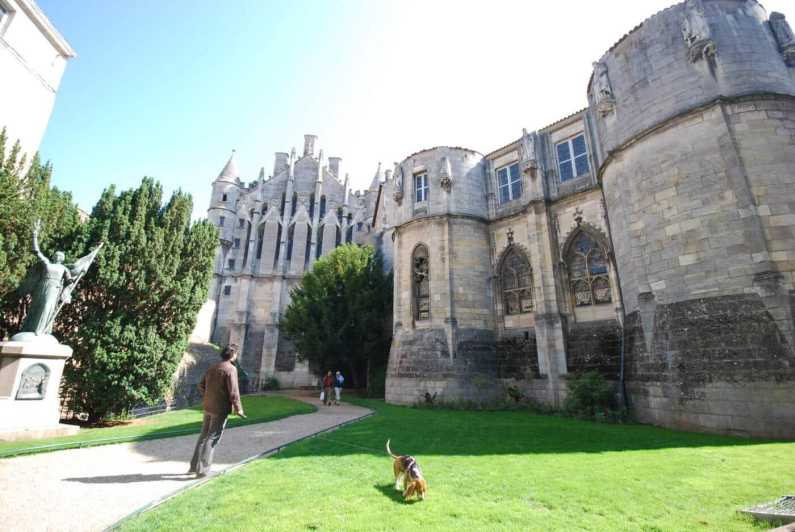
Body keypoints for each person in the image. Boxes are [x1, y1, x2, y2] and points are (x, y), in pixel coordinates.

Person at [189, 344, 245, 477]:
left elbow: (201, 385)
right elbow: (234, 392)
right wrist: (239, 409)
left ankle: (194, 467)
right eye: (236, 354)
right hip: (220, 408)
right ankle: (202, 470)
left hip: (208, 406)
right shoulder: (231, 369)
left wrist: (209, 395)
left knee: (204, 436)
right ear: (232, 355)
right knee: (212, 437)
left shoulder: (213, 368)